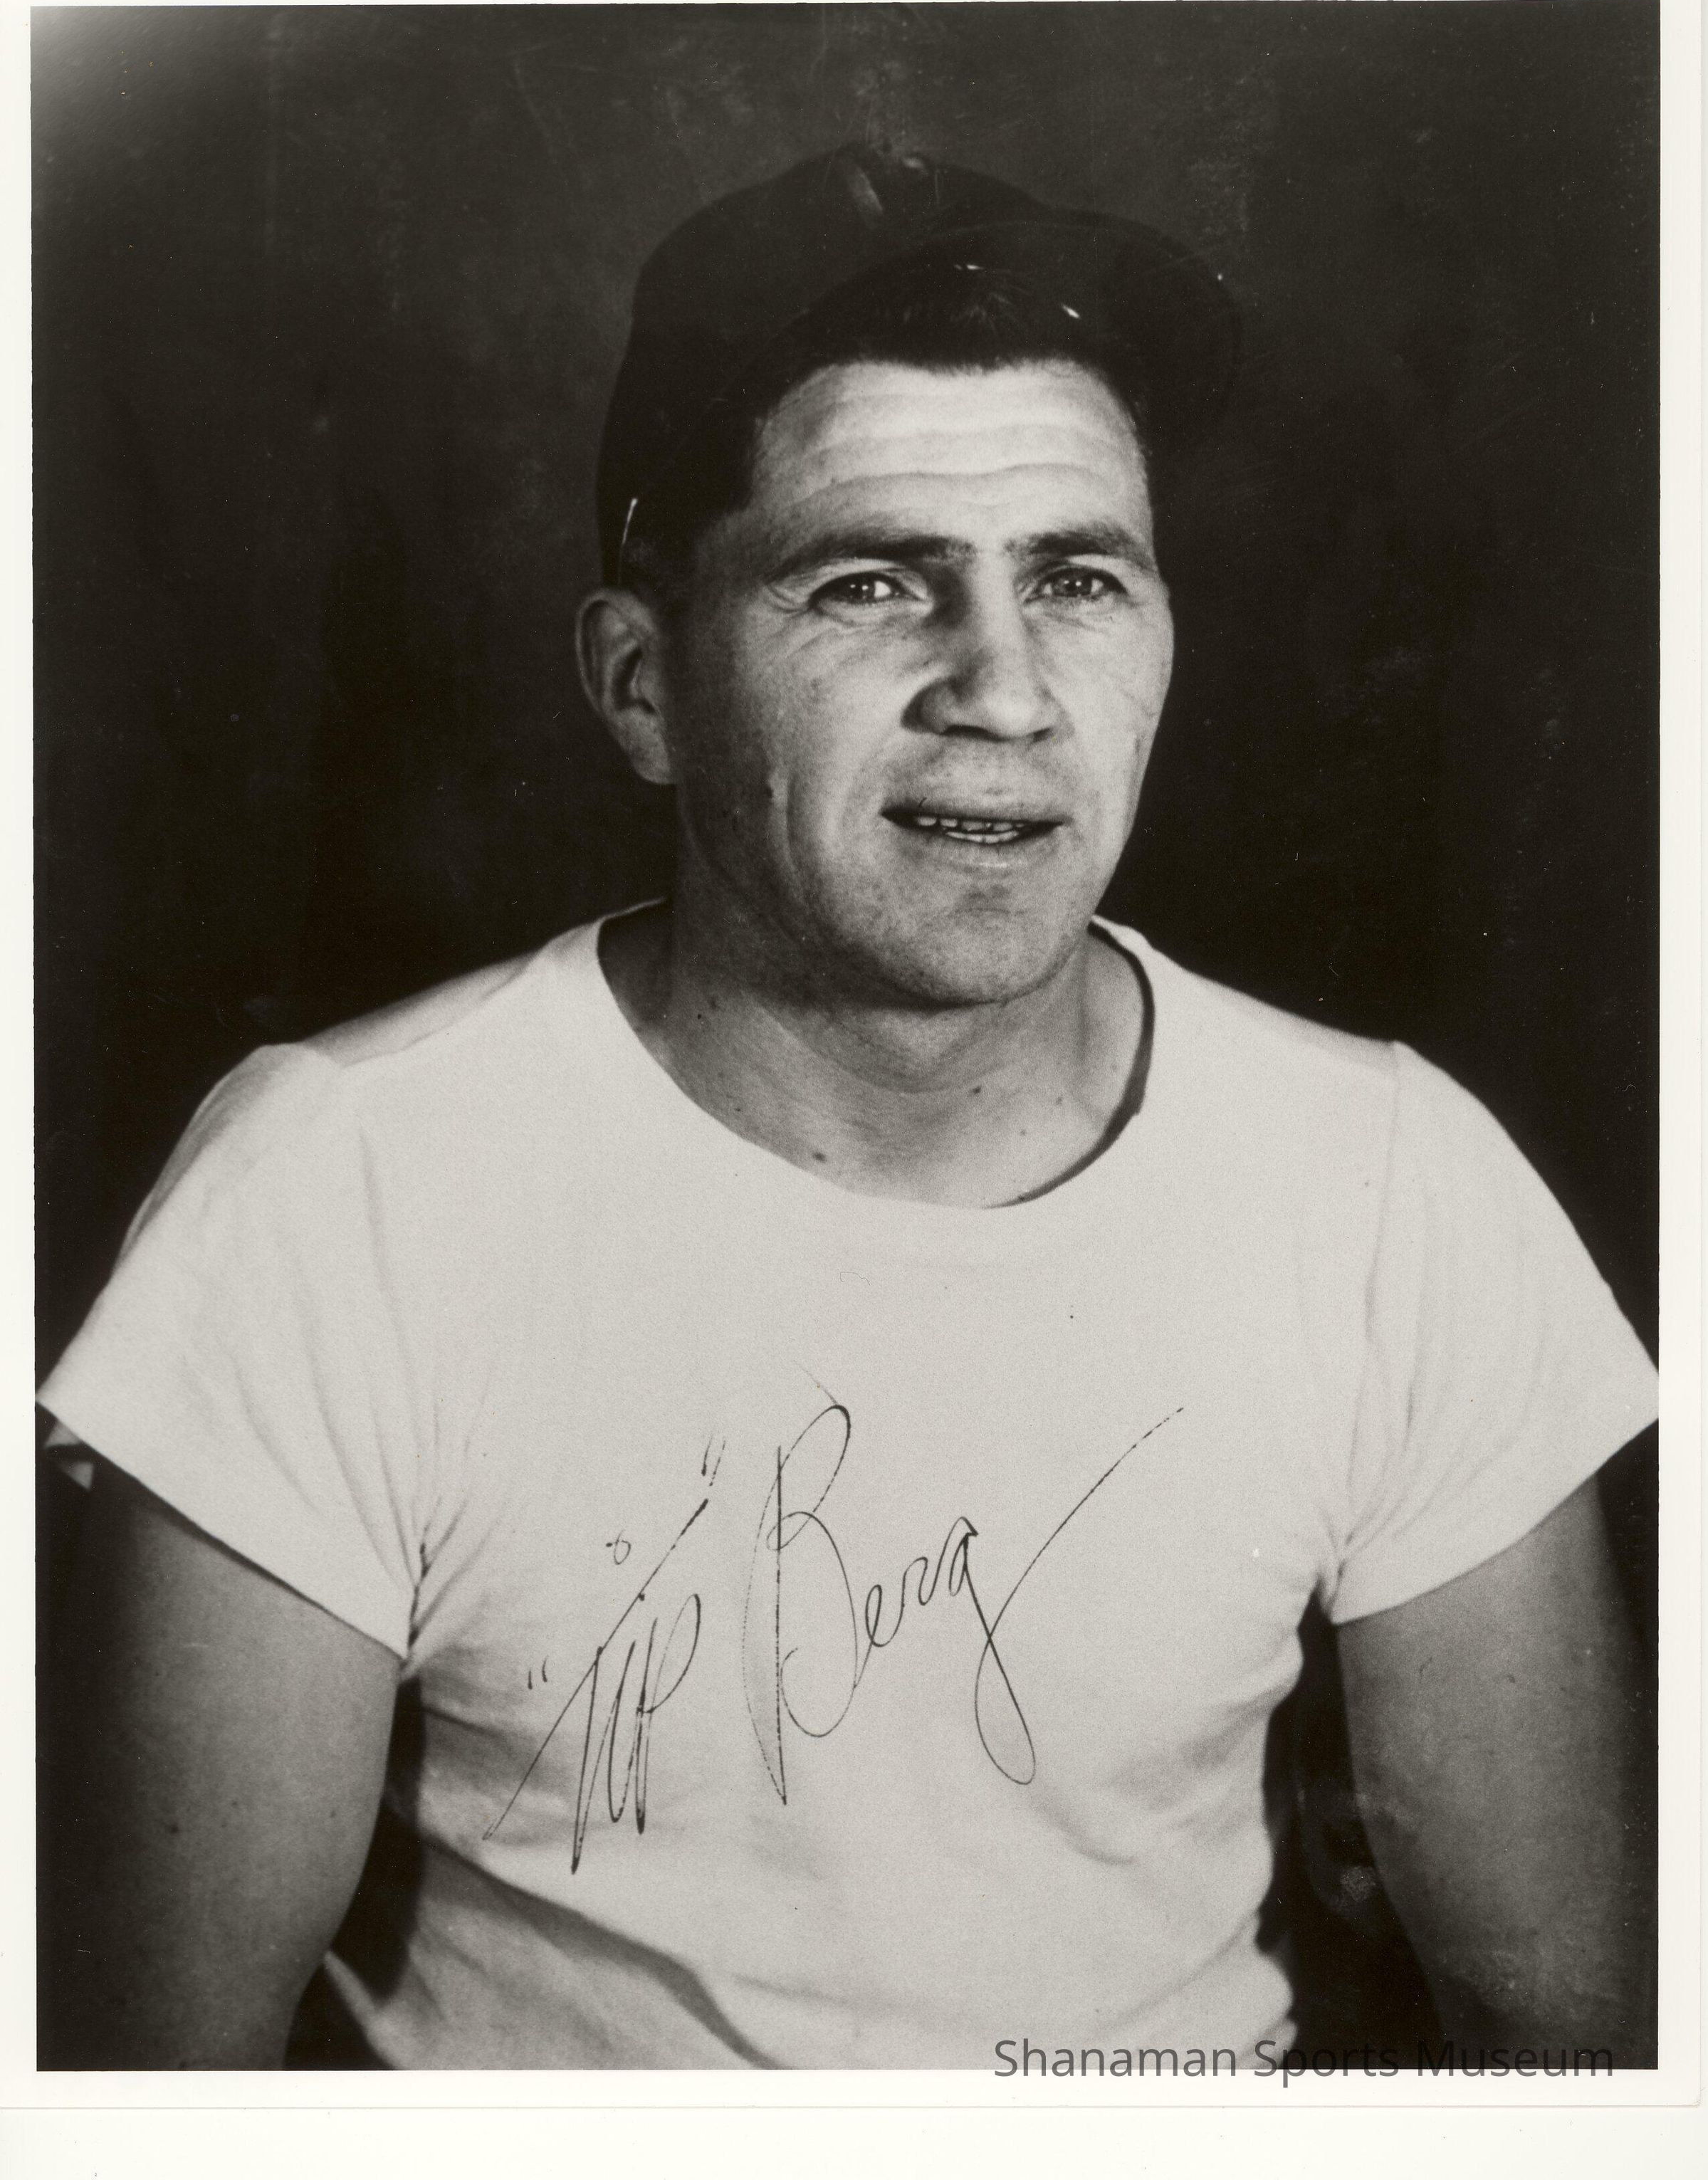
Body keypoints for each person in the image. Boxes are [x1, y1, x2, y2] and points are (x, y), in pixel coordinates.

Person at [39, 145, 1657, 2072]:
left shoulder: (1394, 1184)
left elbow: (1567, 2045)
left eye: (1077, 580)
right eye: (873, 582)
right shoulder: (340, 1191)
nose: (1006, 693)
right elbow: (151, 2093)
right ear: (643, 688)